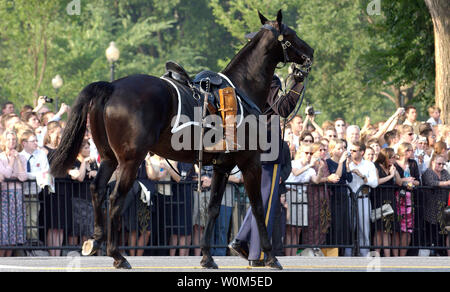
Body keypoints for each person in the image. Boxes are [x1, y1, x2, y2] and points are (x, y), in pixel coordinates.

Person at [229, 67, 306, 268]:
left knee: (260, 199)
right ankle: (257, 253)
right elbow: (283, 108)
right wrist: (298, 83)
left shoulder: (243, 77)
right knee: (267, 203)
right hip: (267, 145)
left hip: (249, 144)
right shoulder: (268, 80)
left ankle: (242, 239)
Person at [346, 141, 378, 257]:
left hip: (363, 198)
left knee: (364, 227)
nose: (352, 153)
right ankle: (348, 253)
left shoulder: (369, 165)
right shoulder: (347, 163)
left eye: (354, 150)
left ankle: (364, 253)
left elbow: (374, 183)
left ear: (362, 152)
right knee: (349, 226)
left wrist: (362, 176)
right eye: (351, 150)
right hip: (349, 198)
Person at [19, 130, 50, 245]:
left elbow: (45, 172)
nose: (36, 143)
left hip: (34, 193)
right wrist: (35, 176)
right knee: (20, 220)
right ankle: (21, 244)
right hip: (20, 194)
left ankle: (32, 244)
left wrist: (28, 176)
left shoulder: (40, 154)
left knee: (33, 219)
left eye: (37, 140)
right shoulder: (20, 156)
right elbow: (19, 173)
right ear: (24, 143)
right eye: (33, 141)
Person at [0, 130, 27, 257]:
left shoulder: (21, 156)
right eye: (9, 139)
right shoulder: (0, 157)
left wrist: (18, 160)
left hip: (17, 195)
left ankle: (9, 257)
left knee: (15, 226)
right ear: (4, 142)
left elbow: (23, 177)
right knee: (5, 225)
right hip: (5, 195)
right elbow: (5, 174)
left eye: (14, 140)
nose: (12, 142)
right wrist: (11, 160)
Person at [67, 139, 98, 250]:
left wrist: (96, 173)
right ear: (79, 150)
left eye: (89, 147)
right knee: (76, 228)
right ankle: (73, 250)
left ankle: (85, 250)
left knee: (87, 228)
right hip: (77, 198)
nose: (88, 150)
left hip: (90, 198)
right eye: (86, 148)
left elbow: (99, 177)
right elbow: (80, 177)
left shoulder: (92, 162)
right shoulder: (74, 162)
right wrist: (84, 163)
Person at [371, 148, 401, 257]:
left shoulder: (392, 167)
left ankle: (388, 256)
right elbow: (377, 181)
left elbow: (399, 182)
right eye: (392, 157)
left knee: (388, 229)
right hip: (379, 199)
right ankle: (377, 254)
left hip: (390, 199)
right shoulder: (376, 166)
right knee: (379, 229)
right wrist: (390, 176)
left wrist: (395, 171)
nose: (393, 159)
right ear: (385, 157)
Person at [326, 138, 353, 255]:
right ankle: (334, 251)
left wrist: (347, 165)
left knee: (344, 224)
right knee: (335, 224)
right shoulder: (329, 162)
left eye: (343, 148)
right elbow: (336, 177)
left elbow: (349, 178)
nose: (342, 150)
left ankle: (342, 251)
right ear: (332, 150)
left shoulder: (343, 162)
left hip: (343, 196)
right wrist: (341, 163)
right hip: (333, 196)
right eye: (339, 148)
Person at [393, 142, 421, 256]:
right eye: (409, 150)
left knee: (408, 228)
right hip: (397, 198)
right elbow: (394, 181)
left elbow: (418, 181)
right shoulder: (394, 164)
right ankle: (395, 256)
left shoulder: (413, 163)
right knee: (397, 228)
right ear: (404, 151)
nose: (412, 152)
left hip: (410, 198)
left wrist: (412, 181)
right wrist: (406, 179)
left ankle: (402, 256)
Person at [421, 154, 450, 256]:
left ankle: (441, 252)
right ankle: (432, 251)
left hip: (443, 206)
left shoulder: (445, 172)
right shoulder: (428, 172)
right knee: (432, 230)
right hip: (431, 206)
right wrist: (445, 183)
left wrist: (445, 183)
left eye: (443, 164)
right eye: (439, 163)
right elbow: (431, 183)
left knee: (442, 231)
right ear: (432, 162)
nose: (441, 166)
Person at [167, 160, 195, 256]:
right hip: (176, 196)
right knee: (175, 230)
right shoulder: (175, 160)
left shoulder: (191, 161)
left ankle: (183, 257)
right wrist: (171, 166)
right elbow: (178, 177)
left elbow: (195, 176)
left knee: (186, 229)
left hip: (188, 196)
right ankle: (172, 257)